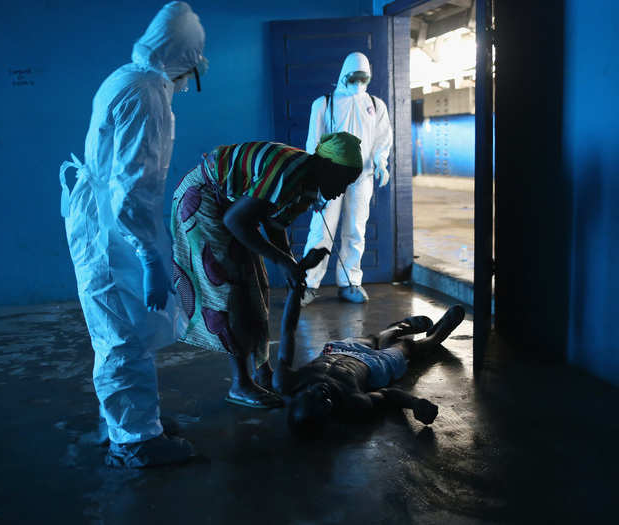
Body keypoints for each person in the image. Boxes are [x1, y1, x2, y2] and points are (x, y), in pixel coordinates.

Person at [58, 2, 207, 468]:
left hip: (100, 221)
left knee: (118, 327)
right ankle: (136, 440)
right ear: (184, 58)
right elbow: (131, 190)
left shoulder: (127, 76)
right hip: (112, 229)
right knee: (123, 334)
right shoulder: (147, 93)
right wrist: (150, 259)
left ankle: (126, 420)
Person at [170, 132, 363, 410]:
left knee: (256, 283)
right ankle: (241, 383)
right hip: (202, 199)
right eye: (343, 180)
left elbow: (274, 225)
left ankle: (263, 371)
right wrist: (285, 263)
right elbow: (235, 220)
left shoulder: (308, 186)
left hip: (229, 208)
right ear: (327, 166)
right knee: (230, 287)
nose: (342, 190)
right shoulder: (289, 170)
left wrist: (292, 264)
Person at [272, 249, 466, 434]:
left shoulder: (285, 382)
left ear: (297, 398)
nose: (321, 392)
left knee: (376, 338)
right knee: (406, 347)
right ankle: (435, 337)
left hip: (336, 351)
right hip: (374, 367)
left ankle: (397, 329)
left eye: (311, 395)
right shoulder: (353, 403)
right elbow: (387, 396)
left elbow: (288, 329)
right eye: (325, 401)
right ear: (329, 413)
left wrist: (297, 285)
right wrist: (414, 404)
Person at [301, 51, 394, 306]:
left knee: (355, 231)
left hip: (362, 178)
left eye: (364, 78)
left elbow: (382, 139)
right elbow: (313, 140)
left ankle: (350, 282)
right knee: (321, 231)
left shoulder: (375, 105)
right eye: (354, 78)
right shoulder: (324, 103)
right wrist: (312, 177)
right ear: (344, 75)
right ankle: (307, 284)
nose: (359, 83)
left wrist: (381, 163)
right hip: (330, 177)